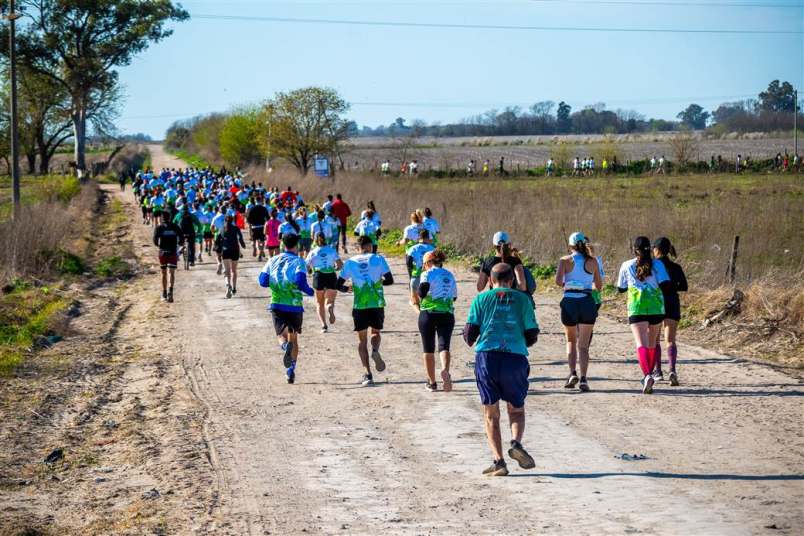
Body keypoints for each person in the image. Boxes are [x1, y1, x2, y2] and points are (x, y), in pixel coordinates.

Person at [463, 263, 539, 476]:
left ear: (490, 281)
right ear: (511, 280)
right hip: (515, 358)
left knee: (491, 412)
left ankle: (499, 461)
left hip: (488, 357)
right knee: (516, 409)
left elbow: (469, 335)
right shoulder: (523, 299)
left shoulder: (481, 299)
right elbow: (532, 334)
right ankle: (516, 443)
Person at [616, 236, 672, 394]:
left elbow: (620, 288)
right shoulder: (658, 264)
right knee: (652, 344)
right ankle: (650, 375)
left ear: (634, 249)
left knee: (640, 343)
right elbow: (665, 284)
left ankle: (647, 375)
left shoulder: (626, 265)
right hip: (655, 307)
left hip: (636, 307)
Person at [337, 236, 394, 386]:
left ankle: (367, 374)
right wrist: (379, 281)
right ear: (370, 246)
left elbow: (338, 284)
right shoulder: (378, 259)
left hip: (360, 305)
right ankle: (375, 349)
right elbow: (390, 280)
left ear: (358, 247)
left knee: (362, 340)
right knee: (375, 333)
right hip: (377, 303)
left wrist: (346, 288)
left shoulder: (351, 262)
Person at [258, 234, 314, 384]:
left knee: (280, 335)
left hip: (277, 304)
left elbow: (262, 281)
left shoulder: (272, 260)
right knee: (294, 338)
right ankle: (290, 370)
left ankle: (284, 346)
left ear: (282, 243)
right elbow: (300, 281)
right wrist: (310, 291)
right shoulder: (299, 261)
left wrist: (276, 284)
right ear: (297, 245)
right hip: (295, 306)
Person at [555, 232, 602, 392]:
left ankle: (572, 372)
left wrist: (570, 283)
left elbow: (558, 281)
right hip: (587, 302)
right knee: (583, 346)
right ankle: (583, 378)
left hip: (569, 302)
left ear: (570, 246)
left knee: (570, 341)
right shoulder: (593, 261)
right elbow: (599, 285)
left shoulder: (564, 261)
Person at [417, 250, 457, 392]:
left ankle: (432, 383)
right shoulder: (450, 275)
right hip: (446, 314)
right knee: (444, 345)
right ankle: (445, 370)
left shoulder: (427, 273)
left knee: (428, 348)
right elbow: (454, 298)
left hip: (428, 313)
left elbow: (422, 292)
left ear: (428, 262)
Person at [652, 237, 688, 386]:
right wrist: (672, 288)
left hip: (657, 302)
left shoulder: (653, 266)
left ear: (657, 250)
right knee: (670, 339)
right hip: (673, 302)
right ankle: (672, 370)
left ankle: (658, 372)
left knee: (654, 340)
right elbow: (684, 286)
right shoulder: (676, 267)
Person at [306, 232, 343, 333]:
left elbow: (306, 266)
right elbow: (340, 265)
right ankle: (330, 307)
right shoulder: (332, 250)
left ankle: (324, 325)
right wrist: (335, 267)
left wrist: (309, 271)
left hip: (319, 276)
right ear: (325, 239)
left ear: (315, 240)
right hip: (331, 276)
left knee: (319, 303)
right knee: (329, 301)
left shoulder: (313, 252)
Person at [153, 211, 183, 303]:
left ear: (162, 218)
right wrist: (179, 244)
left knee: (164, 273)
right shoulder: (175, 226)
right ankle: (171, 291)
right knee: (172, 273)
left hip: (163, 252)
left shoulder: (159, 227)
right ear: (170, 218)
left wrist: (159, 246)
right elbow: (181, 237)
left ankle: (164, 293)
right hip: (172, 252)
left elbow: (155, 240)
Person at [215, 214, 246, 299]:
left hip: (226, 251)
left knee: (227, 271)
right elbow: (240, 238)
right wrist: (243, 245)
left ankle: (228, 285)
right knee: (234, 271)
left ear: (225, 220)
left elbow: (217, 240)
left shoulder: (222, 229)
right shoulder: (236, 228)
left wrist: (217, 249)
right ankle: (234, 288)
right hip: (235, 250)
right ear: (232, 221)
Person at [406, 229, 435, 310]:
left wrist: (410, 276)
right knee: (427, 300)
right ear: (428, 237)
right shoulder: (433, 249)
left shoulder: (412, 248)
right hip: (430, 278)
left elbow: (408, 263)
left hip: (416, 276)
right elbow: (439, 264)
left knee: (414, 302)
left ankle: (420, 315)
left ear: (419, 237)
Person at [246, 196, 269, 261]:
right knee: (262, 241)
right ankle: (260, 253)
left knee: (254, 240)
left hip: (254, 227)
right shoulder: (264, 208)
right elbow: (268, 218)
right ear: (261, 200)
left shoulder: (251, 208)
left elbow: (248, 218)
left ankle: (254, 248)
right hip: (262, 226)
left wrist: (251, 224)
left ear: (255, 200)